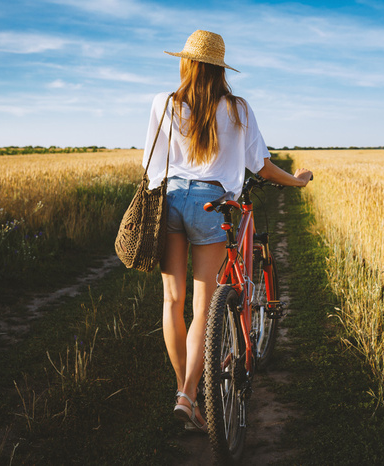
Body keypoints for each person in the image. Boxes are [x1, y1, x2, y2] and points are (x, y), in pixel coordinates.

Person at [143, 30, 313, 432]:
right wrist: (298, 181)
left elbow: (152, 167)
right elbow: (263, 167)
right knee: (205, 307)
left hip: (170, 201)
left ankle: (183, 395)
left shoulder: (164, 103)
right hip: (210, 204)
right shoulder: (237, 108)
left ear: (186, 62)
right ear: (221, 69)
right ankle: (188, 394)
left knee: (172, 301)